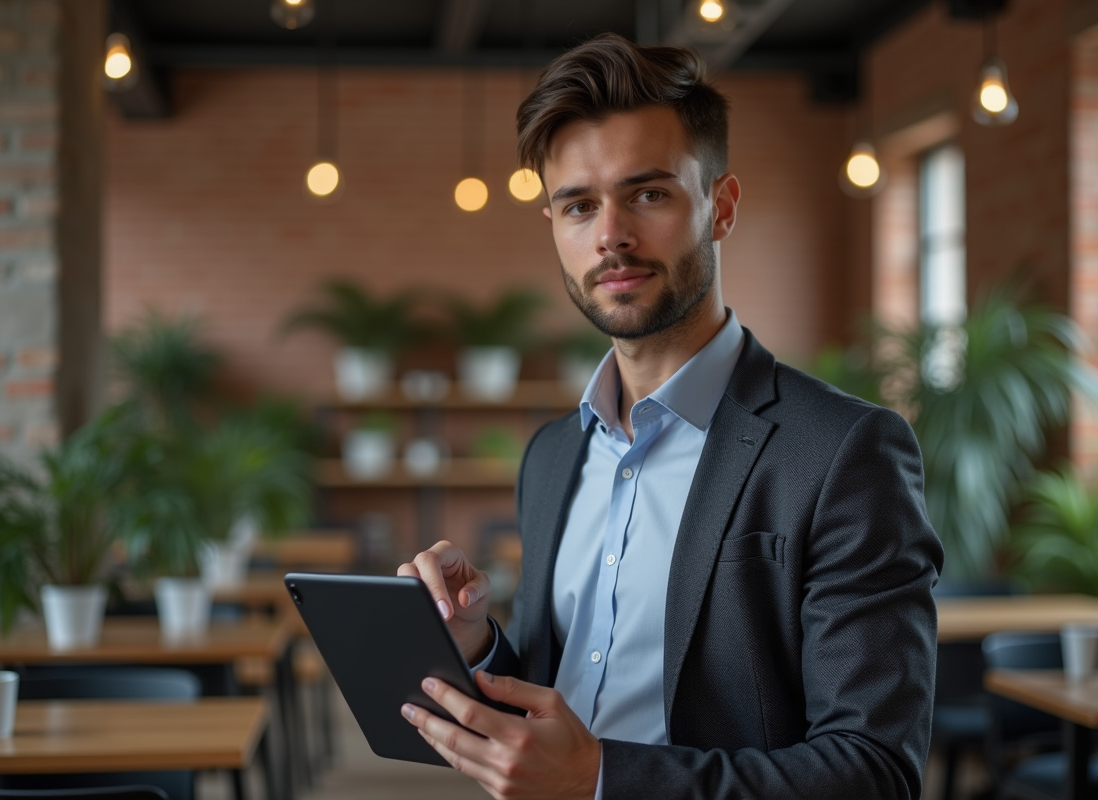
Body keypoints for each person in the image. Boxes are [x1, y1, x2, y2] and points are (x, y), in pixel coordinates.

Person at [397, 33, 943, 800]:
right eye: (579, 205)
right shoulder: (552, 455)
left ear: (720, 207)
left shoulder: (843, 451)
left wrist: (602, 778)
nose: (611, 234)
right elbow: (563, 704)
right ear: (554, 226)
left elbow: (874, 773)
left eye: (648, 193)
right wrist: (477, 648)